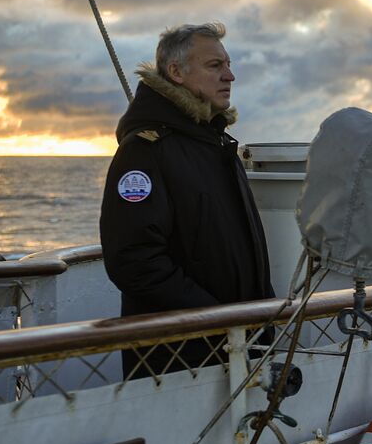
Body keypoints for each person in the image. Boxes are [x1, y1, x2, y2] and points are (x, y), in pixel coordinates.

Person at [100, 23, 273, 373]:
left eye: (228, 64)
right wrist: (215, 321)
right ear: (176, 72)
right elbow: (134, 260)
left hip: (239, 345)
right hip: (180, 359)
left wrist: (260, 321)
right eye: (215, 66)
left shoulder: (216, 145)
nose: (230, 76)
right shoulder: (146, 151)